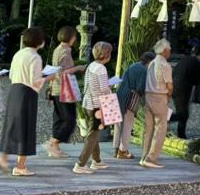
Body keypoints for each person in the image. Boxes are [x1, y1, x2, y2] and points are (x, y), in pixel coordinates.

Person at [0, 26, 55, 176]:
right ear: (39, 41)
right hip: (27, 93)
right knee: (26, 127)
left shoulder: (18, 54)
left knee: (12, 124)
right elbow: (35, 81)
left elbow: (12, 74)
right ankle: (20, 166)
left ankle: (3, 156)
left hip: (15, 89)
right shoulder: (35, 57)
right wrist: (48, 77)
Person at [43, 26, 86, 158]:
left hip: (56, 89)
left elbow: (54, 71)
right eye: (74, 36)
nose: (75, 38)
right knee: (69, 120)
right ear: (71, 37)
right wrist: (78, 68)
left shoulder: (57, 49)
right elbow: (61, 72)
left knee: (59, 118)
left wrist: (50, 89)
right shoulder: (66, 51)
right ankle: (53, 142)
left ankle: (55, 148)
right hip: (64, 90)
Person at [73, 41, 113, 174]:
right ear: (106, 55)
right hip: (97, 105)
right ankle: (80, 164)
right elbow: (103, 88)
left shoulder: (91, 65)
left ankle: (97, 161)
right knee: (93, 135)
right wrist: (111, 90)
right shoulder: (101, 68)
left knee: (94, 133)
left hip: (87, 103)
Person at [113, 51, 155, 158]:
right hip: (130, 98)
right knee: (128, 124)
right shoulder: (144, 71)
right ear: (149, 61)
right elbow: (140, 88)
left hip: (120, 95)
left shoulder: (133, 65)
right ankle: (123, 151)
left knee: (118, 124)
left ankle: (116, 148)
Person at [141, 38, 173, 168]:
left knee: (148, 128)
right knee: (160, 128)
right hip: (159, 96)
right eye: (169, 50)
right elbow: (169, 85)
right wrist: (169, 95)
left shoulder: (152, 63)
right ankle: (151, 158)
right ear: (165, 51)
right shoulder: (164, 64)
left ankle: (144, 156)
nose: (170, 53)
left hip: (148, 95)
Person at [172, 49, 200, 139]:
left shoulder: (184, 60)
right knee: (183, 114)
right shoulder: (196, 62)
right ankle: (165, 118)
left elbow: (174, 73)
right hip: (183, 90)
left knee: (182, 113)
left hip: (176, 88)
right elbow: (197, 80)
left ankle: (181, 133)